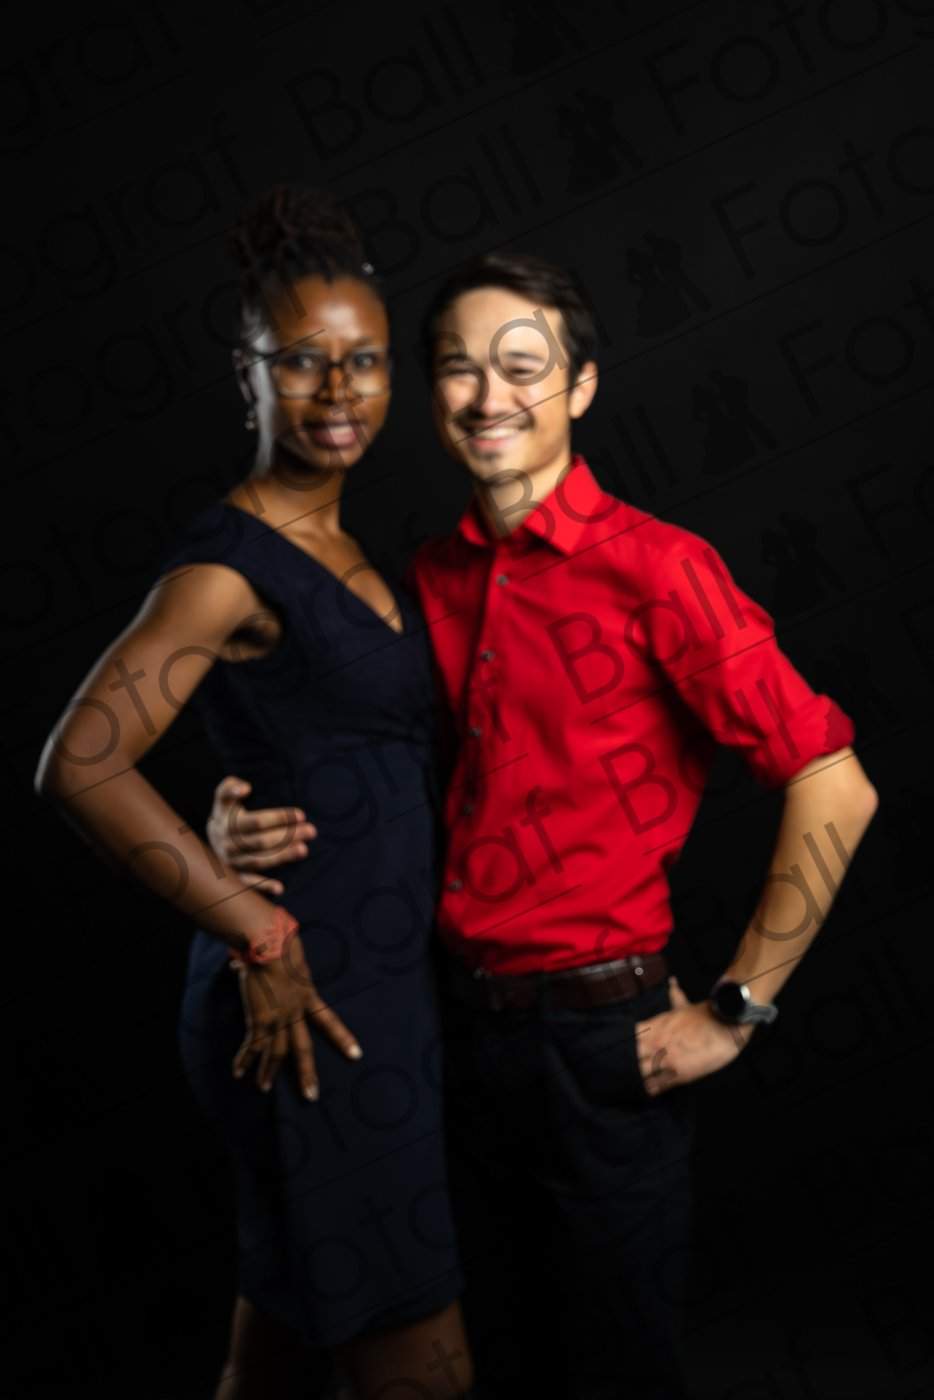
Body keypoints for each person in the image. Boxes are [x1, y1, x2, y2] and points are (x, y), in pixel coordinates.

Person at [208, 250, 880, 1398]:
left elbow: (835, 782)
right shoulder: (424, 578)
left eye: (522, 367)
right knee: (475, 1358)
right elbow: (355, 765)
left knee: (608, 1366)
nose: (488, 397)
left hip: (598, 1044)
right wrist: (226, 825)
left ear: (580, 385)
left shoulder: (659, 568)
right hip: (439, 1026)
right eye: (457, 368)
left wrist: (737, 1007)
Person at [34, 185, 479, 1400]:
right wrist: (256, 928)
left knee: (278, 1343)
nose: (338, 388)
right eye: (300, 360)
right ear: (249, 377)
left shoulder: (346, 546)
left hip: (380, 988)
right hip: (306, 1000)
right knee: (419, 1354)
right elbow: (78, 761)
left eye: (364, 359)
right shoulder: (226, 567)